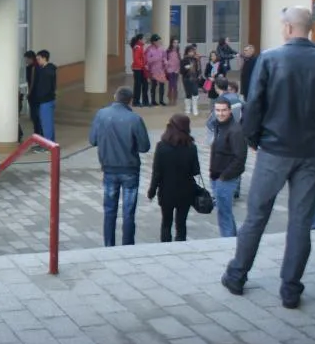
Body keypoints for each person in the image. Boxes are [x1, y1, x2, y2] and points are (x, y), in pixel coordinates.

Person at [222, 6, 315, 309]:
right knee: (300, 221)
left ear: (288, 27)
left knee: (256, 216)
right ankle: (291, 289)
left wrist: (253, 138)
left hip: (274, 149)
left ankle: (237, 275)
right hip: (310, 151)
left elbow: (254, 104)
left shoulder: (270, 58)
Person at [88, 87, 151, 246]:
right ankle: (127, 245)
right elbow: (144, 147)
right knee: (129, 212)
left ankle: (109, 245)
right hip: (130, 169)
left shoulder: (101, 115)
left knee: (109, 210)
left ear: (115, 97)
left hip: (109, 168)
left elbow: (92, 140)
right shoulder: (135, 119)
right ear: (130, 100)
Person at [147, 114, 200, 242]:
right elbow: (195, 171)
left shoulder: (161, 147)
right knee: (181, 223)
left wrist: (152, 191)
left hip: (166, 191)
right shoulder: (191, 147)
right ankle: (180, 245)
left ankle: (166, 246)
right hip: (186, 192)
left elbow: (157, 172)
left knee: (166, 222)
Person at [209, 97, 247, 237]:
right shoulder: (218, 126)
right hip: (216, 176)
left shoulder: (235, 131)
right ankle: (231, 238)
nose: (220, 113)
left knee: (224, 213)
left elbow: (240, 158)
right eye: (218, 110)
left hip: (226, 178)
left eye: (224, 110)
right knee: (224, 212)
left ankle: (228, 240)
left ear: (230, 111)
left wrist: (224, 176)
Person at [33, 50, 57, 143]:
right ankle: (51, 143)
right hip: (48, 100)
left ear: (44, 58)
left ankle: (48, 144)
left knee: (46, 124)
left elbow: (45, 88)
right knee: (48, 124)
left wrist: (39, 96)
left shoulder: (46, 72)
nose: (37, 61)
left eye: (39, 59)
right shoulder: (48, 69)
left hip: (46, 101)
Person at [145, 34, 167, 106]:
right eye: (158, 41)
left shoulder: (162, 49)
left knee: (162, 85)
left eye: (160, 41)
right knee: (153, 85)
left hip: (161, 70)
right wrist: (155, 58)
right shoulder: (149, 49)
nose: (159, 42)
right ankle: (153, 100)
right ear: (154, 42)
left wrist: (165, 61)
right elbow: (147, 60)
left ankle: (161, 100)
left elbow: (164, 57)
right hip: (153, 70)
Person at [129, 35, 149, 108]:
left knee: (145, 85)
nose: (145, 40)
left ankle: (145, 101)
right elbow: (136, 59)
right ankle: (136, 102)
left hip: (141, 68)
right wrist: (143, 65)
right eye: (144, 38)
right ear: (140, 40)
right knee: (138, 86)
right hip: (138, 69)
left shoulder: (141, 46)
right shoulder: (137, 47)